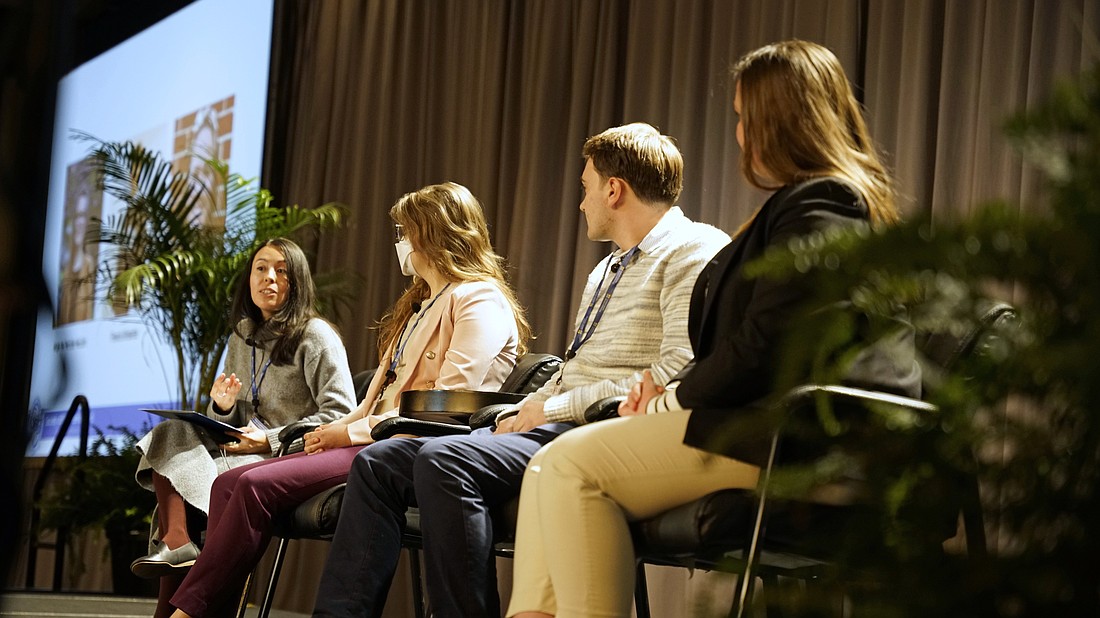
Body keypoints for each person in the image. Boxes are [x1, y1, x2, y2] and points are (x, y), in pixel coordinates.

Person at [506, 40, 923, 618]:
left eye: (743, 118)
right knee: (548, 467)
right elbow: (752, 342)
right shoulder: (808, 204)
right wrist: (668, 397)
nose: (740, 135)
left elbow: (765, 346)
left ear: (777, 121)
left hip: (801, 438)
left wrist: (668, 401)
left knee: (569, 466)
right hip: (764, 424)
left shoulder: (825, 201)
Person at [312, 123, 731, 618]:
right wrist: (528, 406)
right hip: (558, 418)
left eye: (586, 187)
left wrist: (548, 406)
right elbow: (575, 365)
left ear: (613, 190)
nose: (582, 202)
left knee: (445, 462)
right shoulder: (606, 269)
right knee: (380, 464)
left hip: (605, 426)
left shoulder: (693, 248)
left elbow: (676, 367)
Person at [166, 182, 532, 618]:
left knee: (248, 484)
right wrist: (337, 430)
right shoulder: (419, 304)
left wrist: (348, 431)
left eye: (405, 232)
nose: (400, 242)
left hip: (408, 442)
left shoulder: (479, 299)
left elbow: (442, 403)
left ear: (432, 233)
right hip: (372, 436)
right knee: (227, 482)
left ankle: (184, 614)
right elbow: (375, 398)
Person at [131, 237, 358, 618]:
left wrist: (267, 440)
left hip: (286, 455)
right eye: (261, 268)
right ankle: (178, 542)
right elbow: (238, 416)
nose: (269, 278)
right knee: (169, 433)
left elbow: (341, 414)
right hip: (239, 446)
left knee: (189, 491)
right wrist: (223, 408)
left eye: (281, 271)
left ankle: (175, 578)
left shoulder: (316, 335)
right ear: (249, 279)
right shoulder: (243, 334)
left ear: (297, 281)